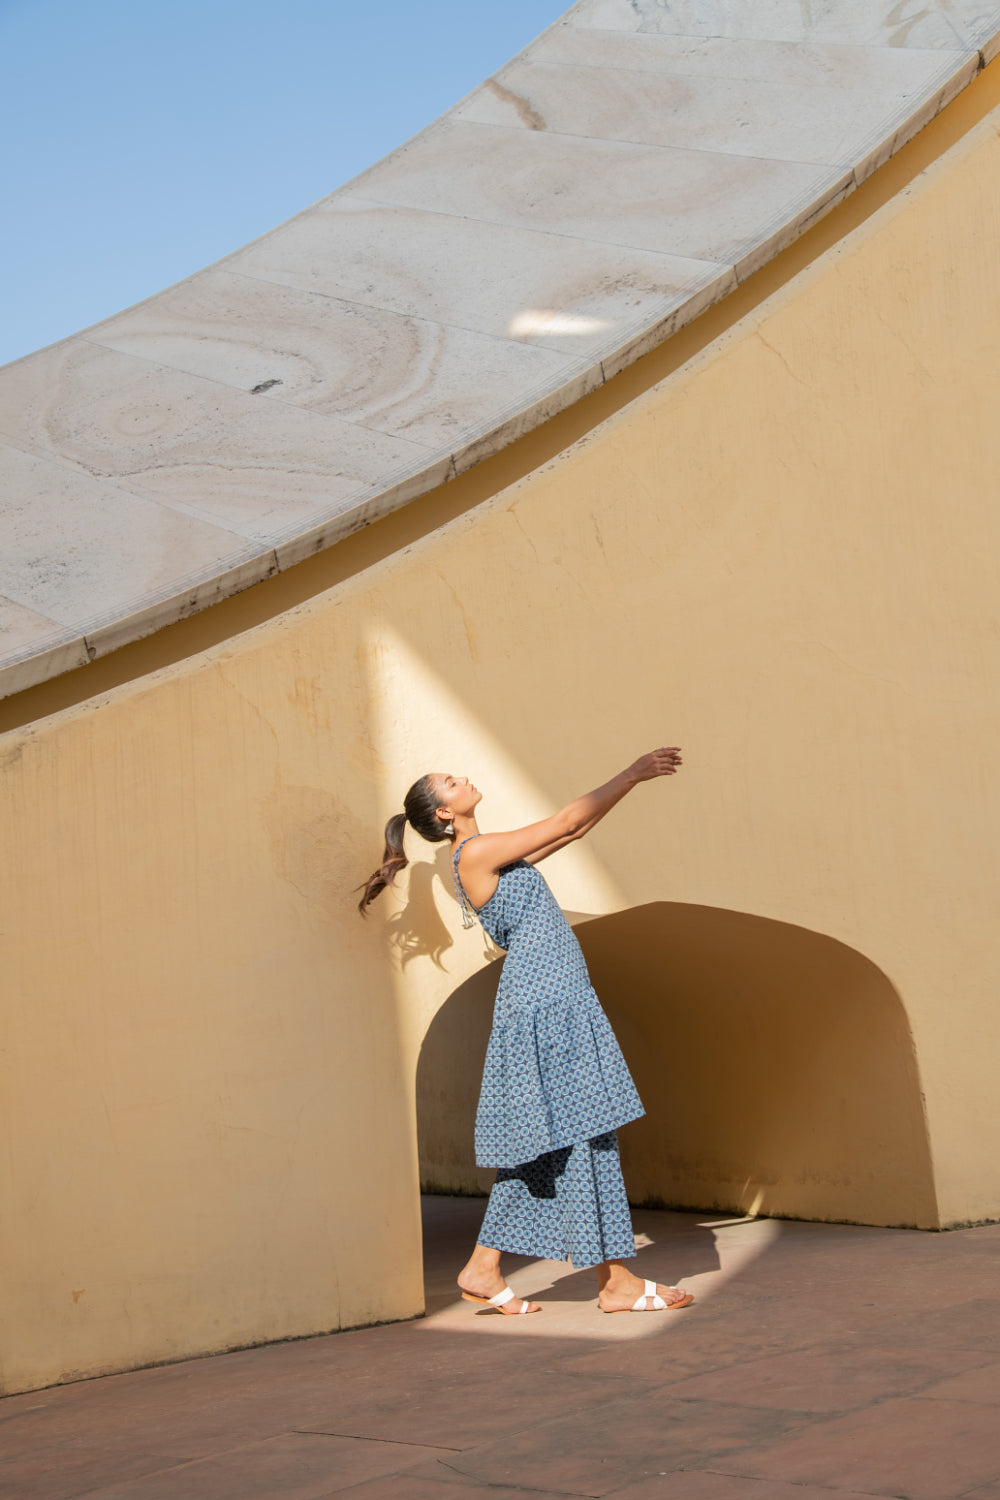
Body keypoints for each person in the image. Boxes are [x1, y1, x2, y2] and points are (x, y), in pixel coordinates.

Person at [358, 749, 694, 1317]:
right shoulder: (475, 853)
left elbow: (572, 831)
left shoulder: (489, 854)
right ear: (443, 813)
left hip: (552, 995)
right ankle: (616, 1283)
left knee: (558, 1138)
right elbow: (563, 820)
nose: (463, 778)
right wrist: (633, 773)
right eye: (450, 782)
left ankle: (485, 1267)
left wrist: (628, 788)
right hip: (546, 1001)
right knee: (586, 1127)